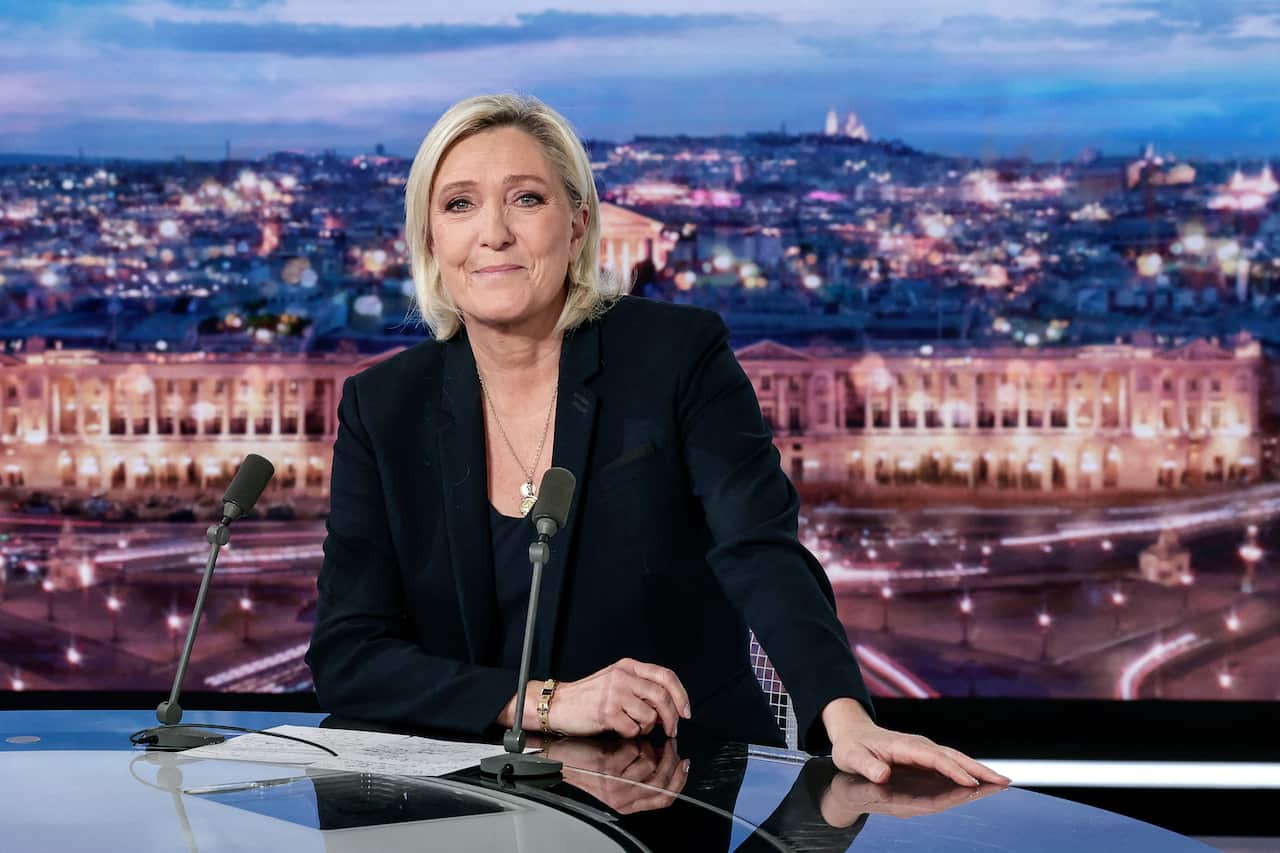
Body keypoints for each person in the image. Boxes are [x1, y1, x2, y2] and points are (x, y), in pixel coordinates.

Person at [305, 93, 1007, 789]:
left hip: (671, 791)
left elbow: (759, 550)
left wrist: (845, 717)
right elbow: (347, 651)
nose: (493, 232)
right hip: (462, 802)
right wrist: (544, 701)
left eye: (525, 199)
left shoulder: (675, 356)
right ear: (430, 239)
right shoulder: (384, 405)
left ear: (578, 225)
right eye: (459, 204)